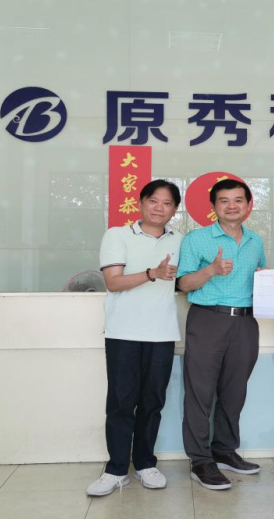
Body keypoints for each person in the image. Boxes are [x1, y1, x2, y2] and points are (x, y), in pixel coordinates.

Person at [86, 179, 183, 496]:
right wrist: (152, 273)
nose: (159, 208)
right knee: (120, 403)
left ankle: (145, 464)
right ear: (141, 202)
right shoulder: (117, 235)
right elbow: (113, 282)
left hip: (162, 334)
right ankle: (115, 470)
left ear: (175, 209)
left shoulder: (180, 240)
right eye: (153, 200)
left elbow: (187, 281)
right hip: (123, 333)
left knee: (152, 402)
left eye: (167, 203)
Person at [177, 179, 266, 490]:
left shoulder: (255, 241)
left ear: (248, 204)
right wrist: (211, 270)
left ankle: (225, 451)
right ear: (214, 206)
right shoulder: (197, 239)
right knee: (200, 393)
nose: (232, 206)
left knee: (234, 391)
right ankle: (201, 460)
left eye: (238, 200)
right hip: (208, 319)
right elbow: (183, 284)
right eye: (224, 200)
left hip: (245, 322)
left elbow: (260, 279)